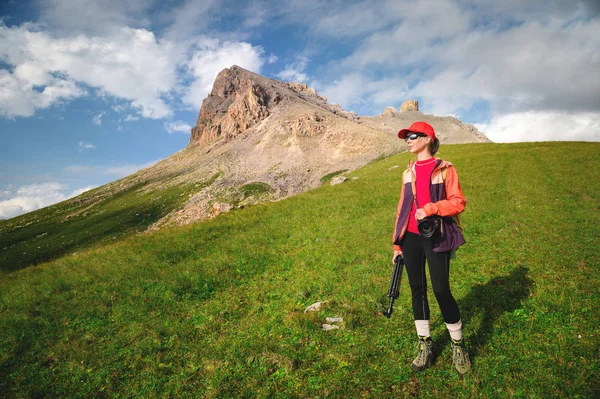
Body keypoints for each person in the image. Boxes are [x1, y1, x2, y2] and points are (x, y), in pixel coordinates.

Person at [392, 121, 471, 376]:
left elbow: (458, 202)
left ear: (428, 139)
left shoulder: (445, 169)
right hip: (411, 239)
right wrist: (397, 243)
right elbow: (403, 208)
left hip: (436, 235)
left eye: (414, 135)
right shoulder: (407, 173)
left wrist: (432, 209)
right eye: (407, 136)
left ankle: (458, 346)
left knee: (441, 290)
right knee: (417, 290)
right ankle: (425, 343)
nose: (408, 140)